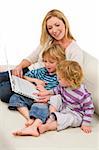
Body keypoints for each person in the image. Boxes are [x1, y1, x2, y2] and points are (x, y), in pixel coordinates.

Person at [0, 9, 83, 103]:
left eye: (57, 25)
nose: (54, 30)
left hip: (43, 83)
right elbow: (32, 57)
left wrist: (51, 95)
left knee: (4, 92)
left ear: (65, 23)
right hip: (31, 72)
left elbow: (73, 79)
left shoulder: (74, 50)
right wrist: (19, 66)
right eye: (50, 28)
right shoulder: (48, 41)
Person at [13, 60, 94, 136]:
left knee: (68, 119)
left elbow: (89, 109)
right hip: (64, 106)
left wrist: (85, 124)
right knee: (56, 98)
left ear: (70, 80)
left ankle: (46, 127)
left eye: (60, 79)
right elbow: (56, 90)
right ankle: (52, 116)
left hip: (75, 113)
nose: (58, 80)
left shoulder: (83, 94)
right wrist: (46, 92)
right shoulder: (64, 86)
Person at [8, 44, 65, 134]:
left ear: (60, 62)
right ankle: (29, 118)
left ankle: (34, 126)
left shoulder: (60, 76)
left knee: (41, 108)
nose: (47, 64)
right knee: (15, 97)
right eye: (45, 61)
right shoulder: (42, 71)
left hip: (44, 100)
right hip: (32, 94)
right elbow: (25, 76)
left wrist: (45, 91)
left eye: (51, 62)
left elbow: (60, 92)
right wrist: (35, 80)